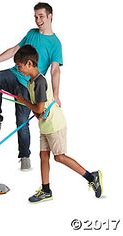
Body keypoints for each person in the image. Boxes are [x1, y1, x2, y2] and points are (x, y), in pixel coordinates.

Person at [0, 2, 62, 170]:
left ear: (50, 16)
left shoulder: (55, 44)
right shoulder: (31, 33)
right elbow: (13, 50)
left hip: (27, 85)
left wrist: (57, 94)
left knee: (22, 121)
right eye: (36, 17)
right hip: (12, 75)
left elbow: (55, 70)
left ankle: (24, 156)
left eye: (41, 17)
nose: (38, 20)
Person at [14, 44, 103, 203]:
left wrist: (23, 101)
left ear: (29, 63)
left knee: (59, 157)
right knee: (43, 156)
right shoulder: (30, 83)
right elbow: (38, 111)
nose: (18, 69)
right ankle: (46, 190)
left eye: (19, 66)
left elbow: (39, 109)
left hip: (54, 125)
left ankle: (91, 177)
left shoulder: (40, 81)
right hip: (45, 126)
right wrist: (34, 109)